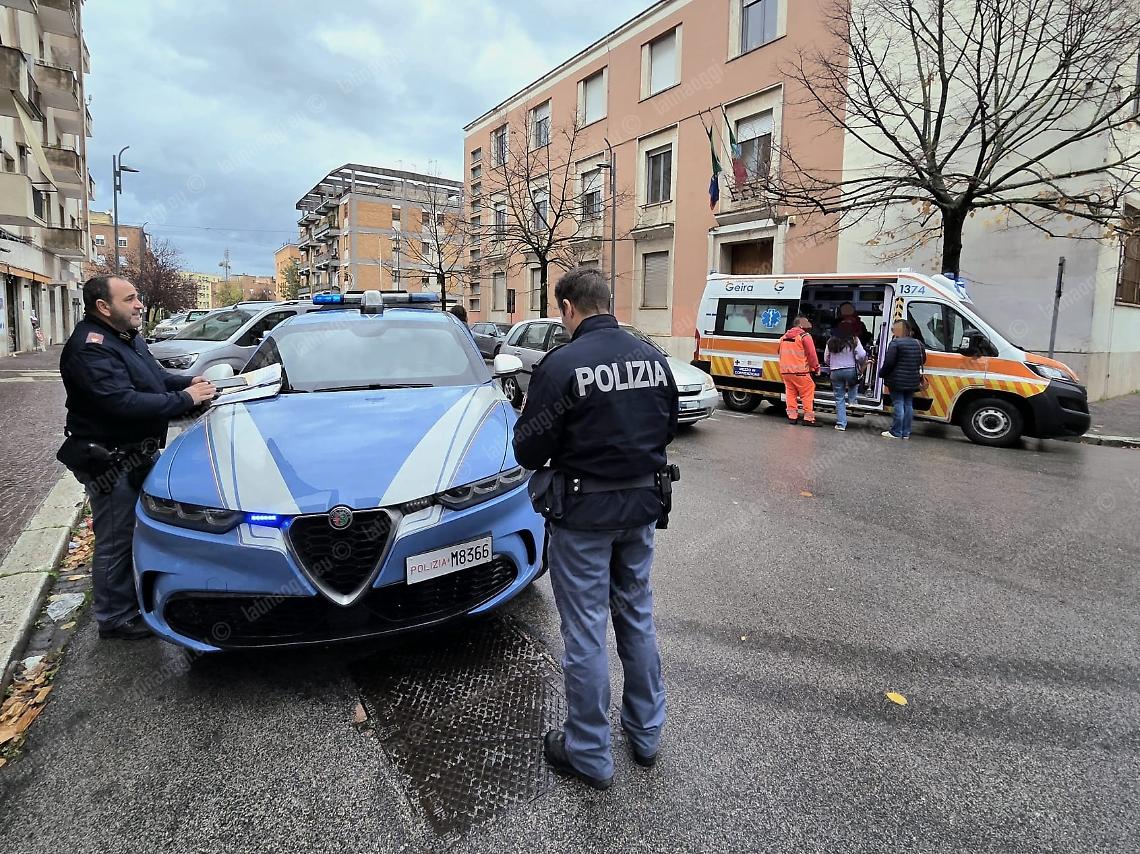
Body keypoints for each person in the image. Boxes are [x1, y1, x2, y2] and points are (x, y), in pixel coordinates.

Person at [513, 266, 678, 791]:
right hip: (640, 510)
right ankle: (647, 732)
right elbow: (667, 425)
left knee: (585, 630)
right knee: (636, 613)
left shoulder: (562, 365)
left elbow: (528, 448)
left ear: (568, 308)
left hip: (584, 518)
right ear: (609, 301)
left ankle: (589, 751)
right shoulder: (652, 358)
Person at [58, 276, 216, 640]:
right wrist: (187, 400)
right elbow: (122, 402)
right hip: (110, 461)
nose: (139, 304)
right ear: (103, 307)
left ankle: (137, 600)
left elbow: (156, 379)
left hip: (134, 454)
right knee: (116, 537)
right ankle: (114, 617)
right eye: (129, 299)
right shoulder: (90, 348)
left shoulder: (124, 337)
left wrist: (194, 383)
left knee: (136, 532)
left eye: (137, 298)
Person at [880, 319, 926, 439]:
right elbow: (923, 360)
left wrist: (882, 374)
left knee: (898, 404)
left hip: (896, 380)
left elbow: (889, 362)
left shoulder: (895, 343)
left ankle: (896, 432)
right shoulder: (918, 343)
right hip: (912, 380)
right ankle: (906, 432)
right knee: (908, 404)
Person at [778, 315, 820, 425]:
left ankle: (792, 417)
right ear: (801, 324)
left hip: (786, 371)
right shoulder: (805, 336)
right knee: (807, 393)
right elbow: (812, 355)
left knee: (790, 394)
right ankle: (808, 418)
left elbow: (779, 352)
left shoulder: (783, 337)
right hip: (800, 372)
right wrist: (816, 368)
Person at [824, 331, 866, 431]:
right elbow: (861, 354)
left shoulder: (831, 341)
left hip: (835, 371)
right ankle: (852, 401)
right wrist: (859, 362)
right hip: (850, 369)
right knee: (854, 382)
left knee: (839, 398)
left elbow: (826, 357)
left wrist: (832, 364)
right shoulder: (854, 339)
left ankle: (841, 424)